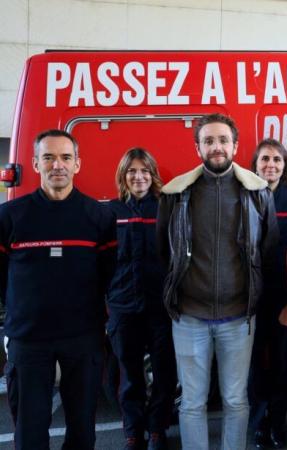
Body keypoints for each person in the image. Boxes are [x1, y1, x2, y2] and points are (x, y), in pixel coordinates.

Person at [156, 113, 278, 450]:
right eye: (208, 140)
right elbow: (164, 252)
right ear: (198, 147)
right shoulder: (176, 194)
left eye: (223, 140)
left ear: (236, 146)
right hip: (190, 316)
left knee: (236, 400)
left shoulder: (257, 192)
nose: (217, 146)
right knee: (192, 403)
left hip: (238, 317)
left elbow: (267, 250)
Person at [0, 129, 116, 450]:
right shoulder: (10, 216)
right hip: (28, 339)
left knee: (82, 430)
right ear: (35, 164)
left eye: (65, 157)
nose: (57, 165)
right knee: (30, 432)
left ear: (77, 164)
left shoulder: (99, 217)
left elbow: (109, 274)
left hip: (84, 337)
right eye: (48, 157)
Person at [107, 148, 177, 450]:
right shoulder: (111, 212)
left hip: (160, 308)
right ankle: (133, 433)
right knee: (131, 376)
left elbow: (178, 258)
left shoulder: (166, 209)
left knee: (164, 374)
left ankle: (158, 430)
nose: (139, 177)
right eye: (133, 171)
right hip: (123, 308)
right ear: (124, 175)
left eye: (145, 171)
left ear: (153, 175)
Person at [249, 138, 287, 449]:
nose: (271, 165)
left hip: (286, 297)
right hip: (250, 300)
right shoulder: (241, 197)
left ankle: (278, 423)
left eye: (277, 160)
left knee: (284, 365)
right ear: (255, 165)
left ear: (285, 167)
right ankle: (259, 426)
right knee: (256, 366)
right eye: (265, 160)